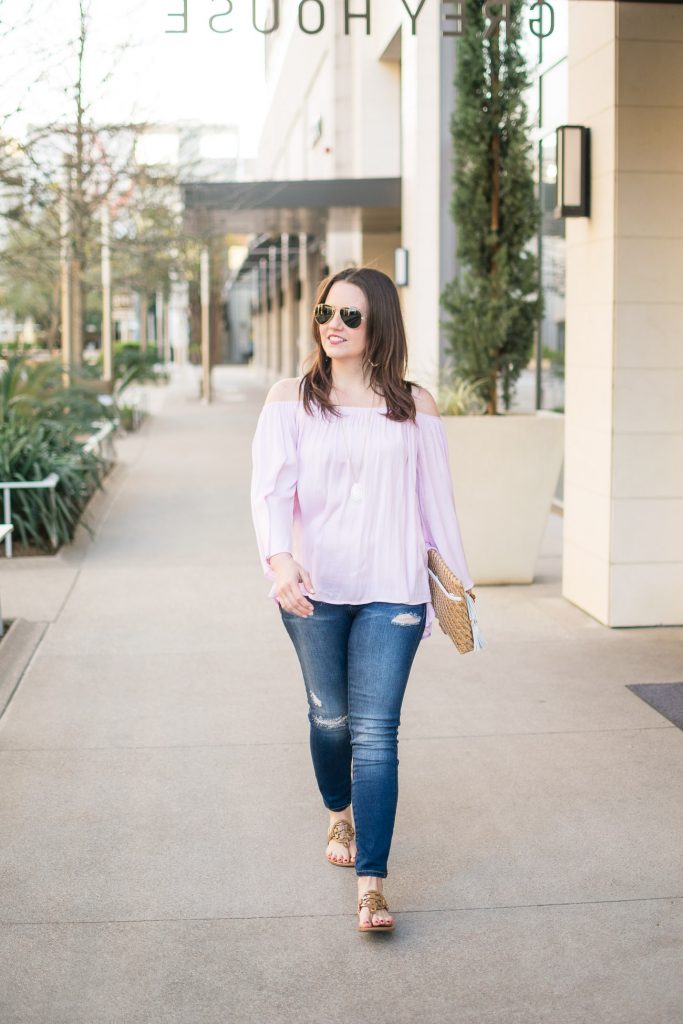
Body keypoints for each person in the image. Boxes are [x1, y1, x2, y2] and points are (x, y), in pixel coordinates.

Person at [250, 266, 475, 934]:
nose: (333, 324)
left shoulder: (413, 405)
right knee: (330, 719)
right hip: (312, 588)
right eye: (325, 311)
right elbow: (269, 490)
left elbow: (437, 506)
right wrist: (278, 558)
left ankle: (371, 885)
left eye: (349, 315)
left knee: (376, 734)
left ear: (378, 322)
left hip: (392, 590)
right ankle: (336, 809)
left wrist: (454, 590)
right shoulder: (289, 398)